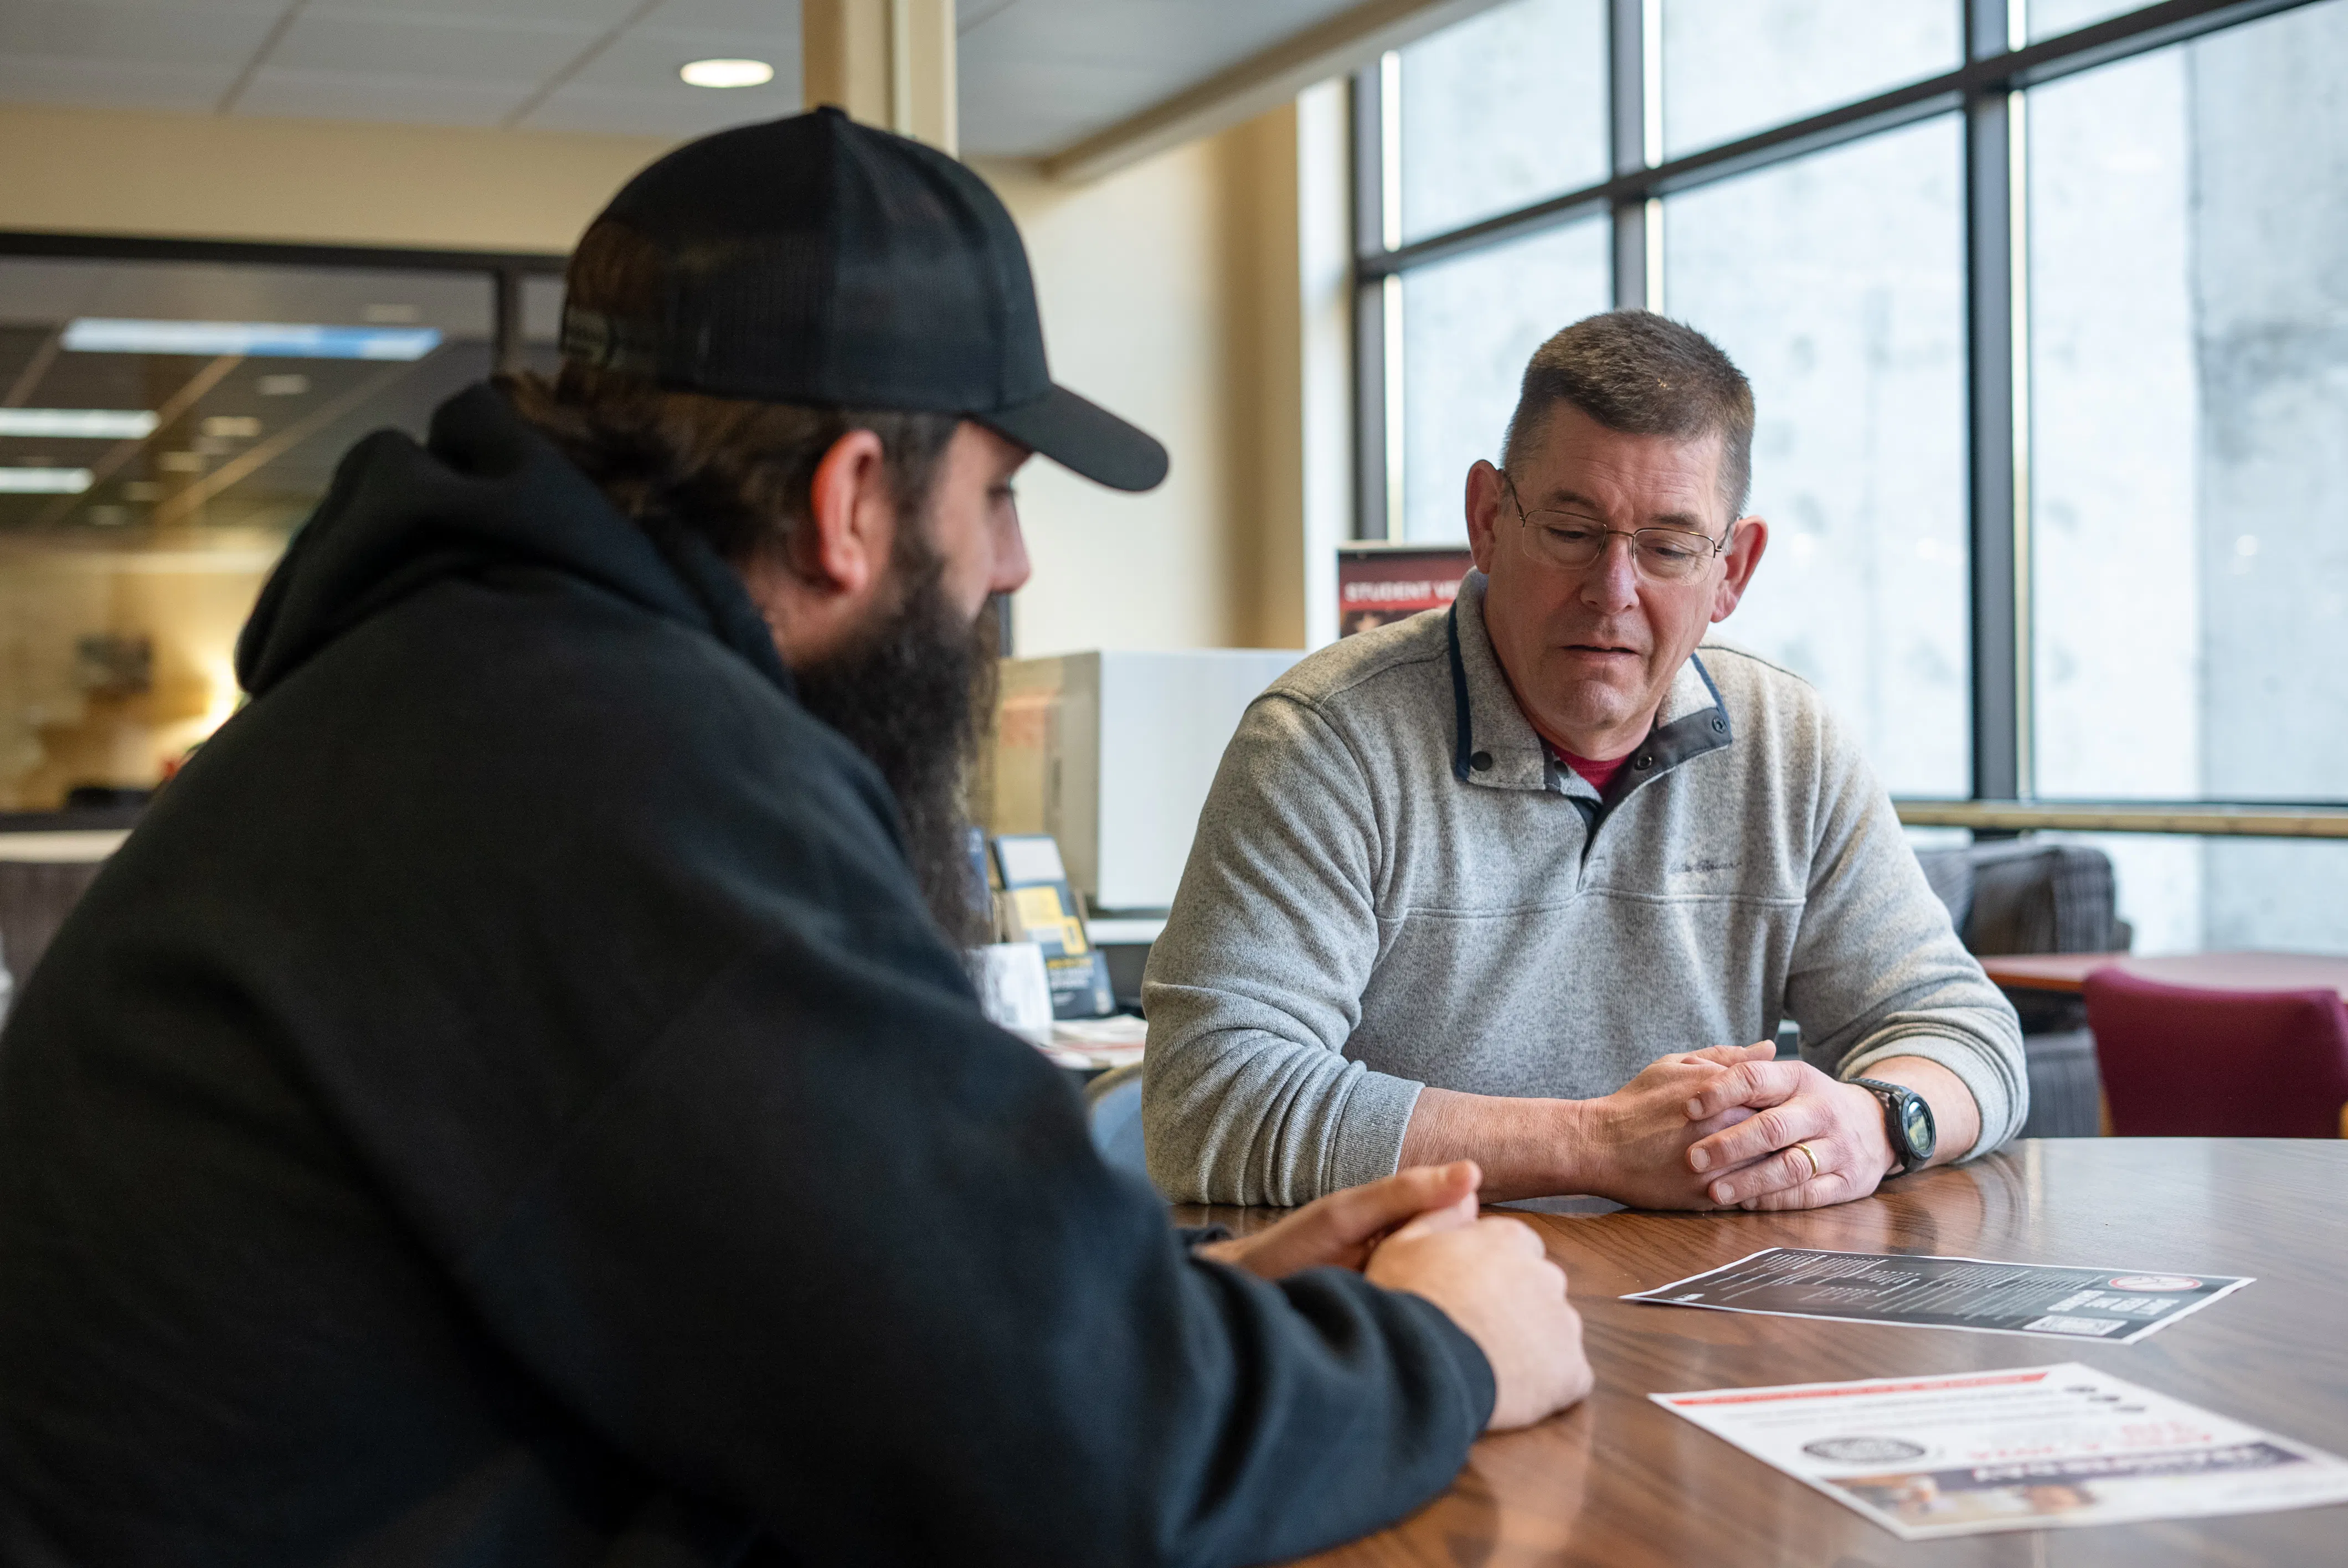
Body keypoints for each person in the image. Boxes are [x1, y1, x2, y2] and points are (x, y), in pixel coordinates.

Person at [0, 111, 1590, 1566]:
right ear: (849, 505)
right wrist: (1440, 1351)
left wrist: (1180, 1316)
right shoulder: (612, 765)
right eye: (1001, 495)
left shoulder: (474, 688)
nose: (1013, 565)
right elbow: (1078, 1465)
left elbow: (842, 1323)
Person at [1142, 310, 2027, 1211]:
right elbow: (1207, 1097)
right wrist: (1593, 1144)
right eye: (1571, 529)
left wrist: (1878, 1122)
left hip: (1699, 1313)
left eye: (1669, 548)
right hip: (1408, 1312)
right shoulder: (1327, 742)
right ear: (1488, 520)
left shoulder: (1789, 746)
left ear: (1732, 572)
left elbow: (1965, 1033)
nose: (1611, 593)